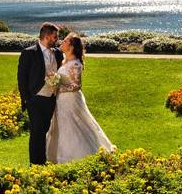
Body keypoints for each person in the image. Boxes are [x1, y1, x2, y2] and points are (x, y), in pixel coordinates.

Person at [45, 34, 115, 164]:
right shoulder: (65, 61)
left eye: (65, 41)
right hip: (61, 100)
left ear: (71, 47)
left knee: (75, 125)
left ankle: (82, 155)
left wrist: (58, 87)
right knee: (62, 126)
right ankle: (59, 155)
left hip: (71, 100)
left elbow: (76, 85)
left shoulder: (75, 64)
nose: (62, 42)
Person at [17, 23, 62, 165]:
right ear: (47, 36)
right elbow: (21, 77)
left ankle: (42, 161)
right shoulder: (29, 52)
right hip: (35, 99)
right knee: (36, 132)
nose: (57, 40)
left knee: (45, 130)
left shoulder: (57, 53)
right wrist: (26, 99)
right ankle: (35, 164)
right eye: (55, 37)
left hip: (51, 99)